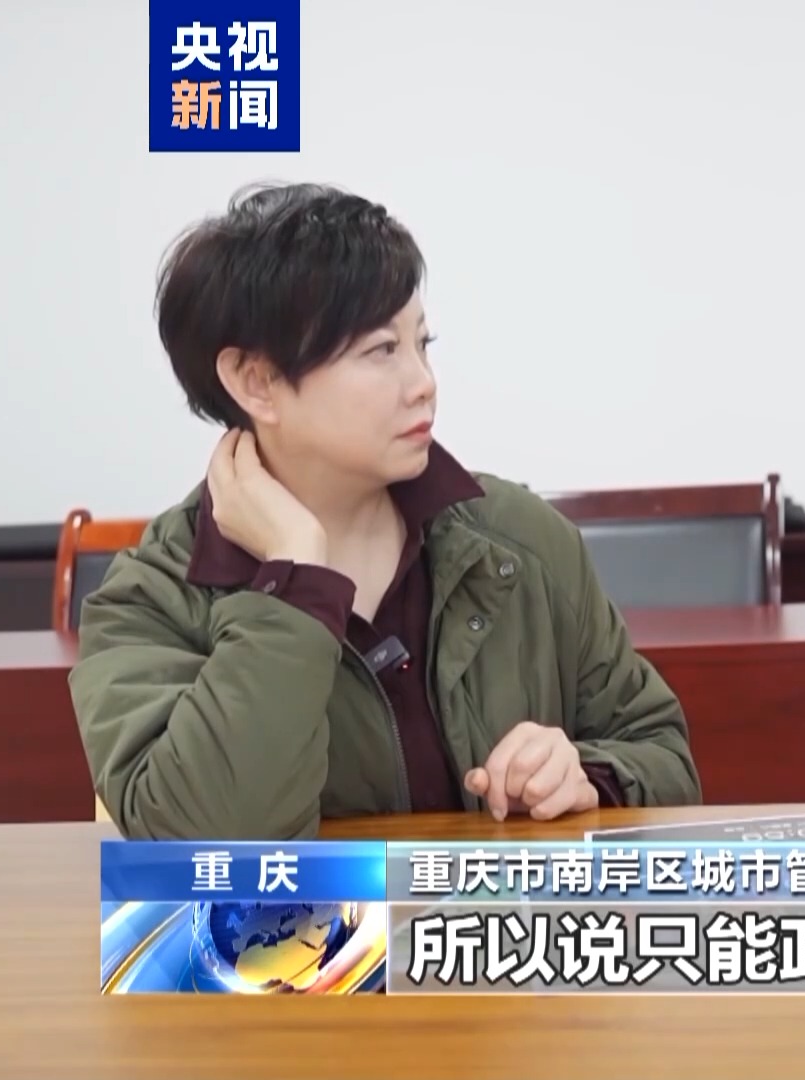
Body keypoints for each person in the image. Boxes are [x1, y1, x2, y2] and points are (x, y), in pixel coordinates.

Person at [70, 183, 701, 841]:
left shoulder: (519, 540)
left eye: (423, 344)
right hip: (311, 919)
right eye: (381, 351)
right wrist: (293, 584)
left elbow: (662, 756)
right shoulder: (153, 598)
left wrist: (588, 778)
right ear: (256, 382)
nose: (424, 383)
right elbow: (196, 848)